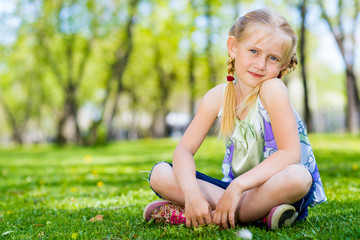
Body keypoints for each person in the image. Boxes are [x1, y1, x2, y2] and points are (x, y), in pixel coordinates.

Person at [143, 8, 326, 230]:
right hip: (232, 191)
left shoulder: (273, 89)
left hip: (275, 188)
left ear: (283, 65)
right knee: (160, 174)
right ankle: (254, 216)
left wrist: (237, 187)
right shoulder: (217, 97)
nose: (260, 64)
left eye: (273, 58)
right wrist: (192, 194)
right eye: (254, 51)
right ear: (233, 48)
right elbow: (183, 151)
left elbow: (290, 154)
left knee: (298, 177)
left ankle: (204, 216)